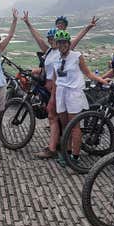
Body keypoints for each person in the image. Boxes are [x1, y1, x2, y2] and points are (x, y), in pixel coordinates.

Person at [22, 11, 97, 159]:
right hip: (54, 89)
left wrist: (88, 27)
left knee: (56, 118)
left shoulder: (64, 50)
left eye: (53, 38)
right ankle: (60, 147)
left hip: (60, 90)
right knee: (56, 118)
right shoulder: (50, 50)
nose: (52, 41)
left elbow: (76, 40)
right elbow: (38, 39)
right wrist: (28, 23)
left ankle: (57, 149)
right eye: (50, 39)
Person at [46, 30, 109, 165]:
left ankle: (75, 156)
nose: (62, 45)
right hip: (60, 93)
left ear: (68, 44)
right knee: (65, 125)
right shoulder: (55, 58)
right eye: (59, 42)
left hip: (73, 93)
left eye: (64, 42)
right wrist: (53, 97)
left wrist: (102, 80)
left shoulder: (76, 56)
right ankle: (67, 153)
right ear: (56, 44)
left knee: (74, 126)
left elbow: (88, 73)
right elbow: (55, 78)